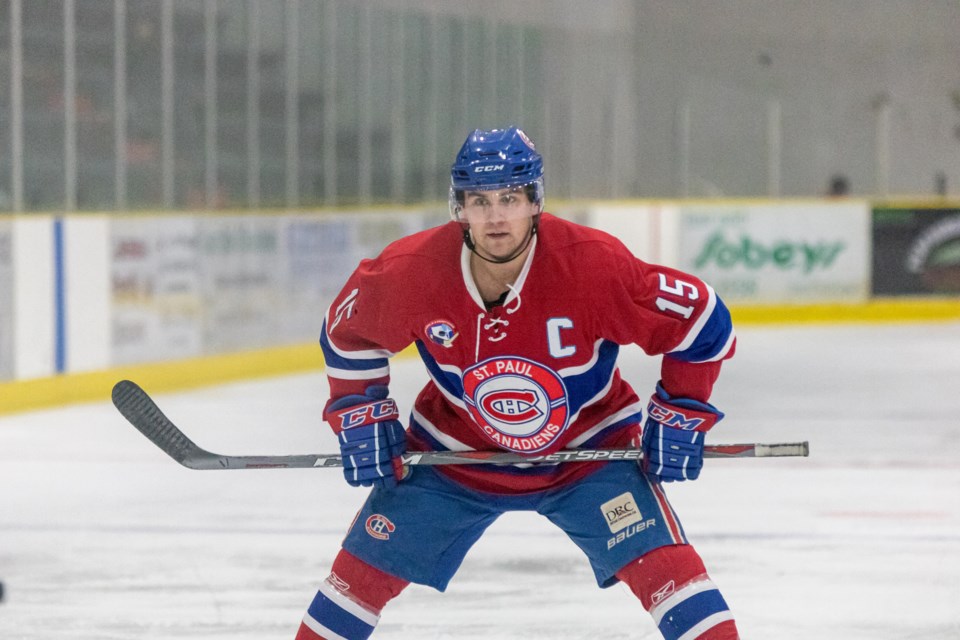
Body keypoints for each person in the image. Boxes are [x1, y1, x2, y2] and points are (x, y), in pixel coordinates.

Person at [296, 127, 740, 640]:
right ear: (458, 206)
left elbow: (702, 320)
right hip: (455, 458)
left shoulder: (593, 266)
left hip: (588, 454)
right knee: (356, 581)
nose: (496, 216)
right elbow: (347, 334)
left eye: (510, 197)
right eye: (479, 201)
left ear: (535, 201)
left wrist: (680, 412)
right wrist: (359, 413)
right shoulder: (412, 272)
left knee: (670, 575)